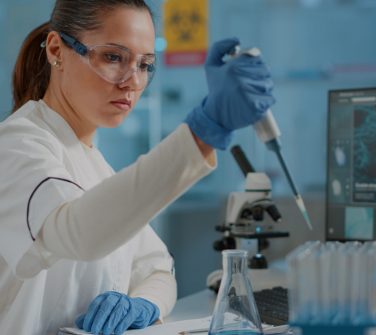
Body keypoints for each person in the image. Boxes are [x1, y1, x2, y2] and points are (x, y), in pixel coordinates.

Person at [0, 0, 275, 334]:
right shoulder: (15, 144)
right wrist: (203, 132)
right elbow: (77, 233)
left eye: (145, 64)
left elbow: (158, 270)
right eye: (113, 57)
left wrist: (142, 304)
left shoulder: (95, 163)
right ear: (57, 50)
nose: (132, 81)